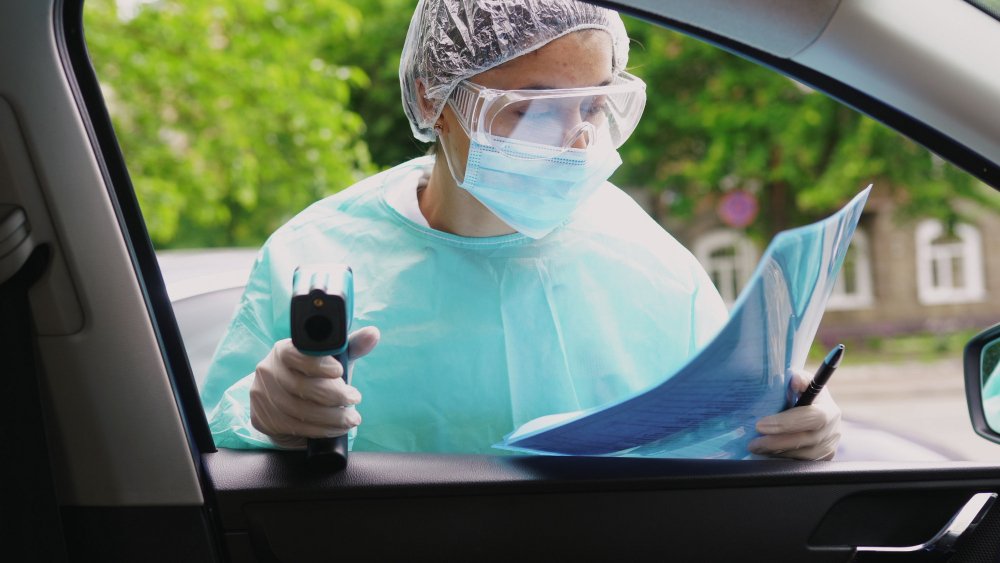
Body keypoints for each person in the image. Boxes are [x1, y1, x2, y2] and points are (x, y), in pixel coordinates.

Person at [200, 0, 841, 460]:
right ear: (432, 100)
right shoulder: (312, 256)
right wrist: (260, 415)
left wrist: (793, 425)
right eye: (534, 109)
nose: (577, 139)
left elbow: (721, 427)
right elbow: (199, 456)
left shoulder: (651, 263)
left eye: (594, 104)